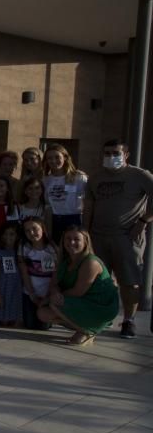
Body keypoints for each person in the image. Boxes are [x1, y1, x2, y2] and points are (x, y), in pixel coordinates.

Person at [84, 139, 153, 339]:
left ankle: (128, 321)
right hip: (97, 235)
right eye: (106, 153)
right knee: (99, 280)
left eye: (115, 153)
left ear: (126, 154)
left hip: (127, 237)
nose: (110, 157)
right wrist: (85, 232)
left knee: (129, 282)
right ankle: (103, 317)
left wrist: (144, 220)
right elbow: (89, 206)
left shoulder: (140, 175)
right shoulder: (95, 178)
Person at [38, 227, 120, 345]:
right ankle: (85, 327)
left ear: (85, 242)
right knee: (42, 313)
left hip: (100, 306)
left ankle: (88, 331)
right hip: (81, 302)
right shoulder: (65, 261)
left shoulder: (90, 262)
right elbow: (54, 283)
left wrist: (54, 297)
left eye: (76, 239)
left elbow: (78, 292)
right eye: (68, 239)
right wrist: (54, 291)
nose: (71, 242)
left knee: (54, 303)